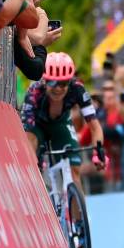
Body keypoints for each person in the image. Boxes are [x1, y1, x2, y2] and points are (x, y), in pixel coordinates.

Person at [21, 52, 106, 190]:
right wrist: (35, 157)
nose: (58, 88)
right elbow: (27, 130)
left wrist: (99, 153)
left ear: (70, 81)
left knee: (75, 171)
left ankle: (77, 207)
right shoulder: (34, 91)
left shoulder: (77, 89)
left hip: (61, 124)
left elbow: (95, 127)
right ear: (45, 80)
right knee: (31, 145)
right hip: (38, 126)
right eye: (53, 82)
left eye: (63, 83)